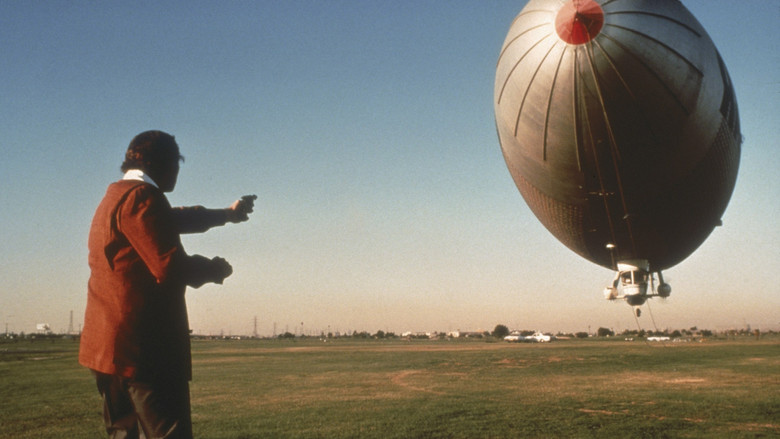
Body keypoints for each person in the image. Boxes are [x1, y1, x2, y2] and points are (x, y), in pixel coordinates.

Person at [79, 130, 256, 438]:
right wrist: (214, 269)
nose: (177, 171)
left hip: (106, 351)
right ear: (160, 163)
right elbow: (169, 266)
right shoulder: (142, 198)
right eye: (176, 163)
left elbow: (172, 219)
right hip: (144, 353)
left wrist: (228, 215)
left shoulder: (115, 196)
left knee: (123, 435)